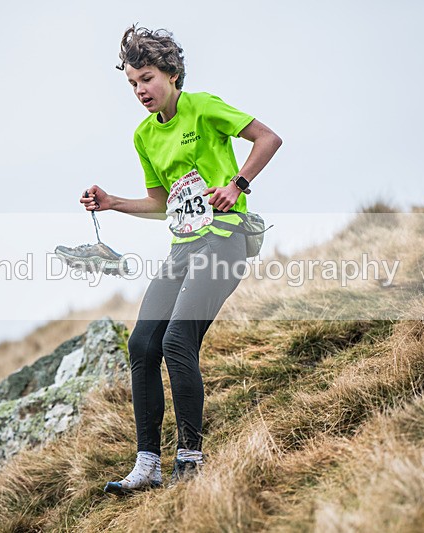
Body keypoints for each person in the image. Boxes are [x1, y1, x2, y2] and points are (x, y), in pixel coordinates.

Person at [79, 25, 282, 494]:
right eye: (132, 83)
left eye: (147, 78)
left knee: (176, 341)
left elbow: (268, 138)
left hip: (226, 240)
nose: (140, 90)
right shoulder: (144, 136)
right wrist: (112, 203)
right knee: (141, 344)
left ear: (171, 74)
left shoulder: (203, 106)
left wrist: (237, 184)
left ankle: (190, 460)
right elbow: (159, 204)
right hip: (184, 247)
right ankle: (148, 465)